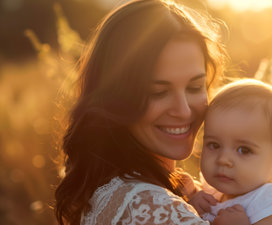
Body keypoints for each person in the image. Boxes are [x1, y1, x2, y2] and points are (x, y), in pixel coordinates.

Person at [54, 0, 250, 224]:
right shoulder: (152, 209)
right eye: (158, 92)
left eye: (195, 87)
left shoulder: (113, 189)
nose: (184, 111)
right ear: (115, 97)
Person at [188, 79, 272, 225]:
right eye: (214, 145)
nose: (223, 159)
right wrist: (192, 209)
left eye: (244, 150)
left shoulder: (271, 203)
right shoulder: (215, 193)